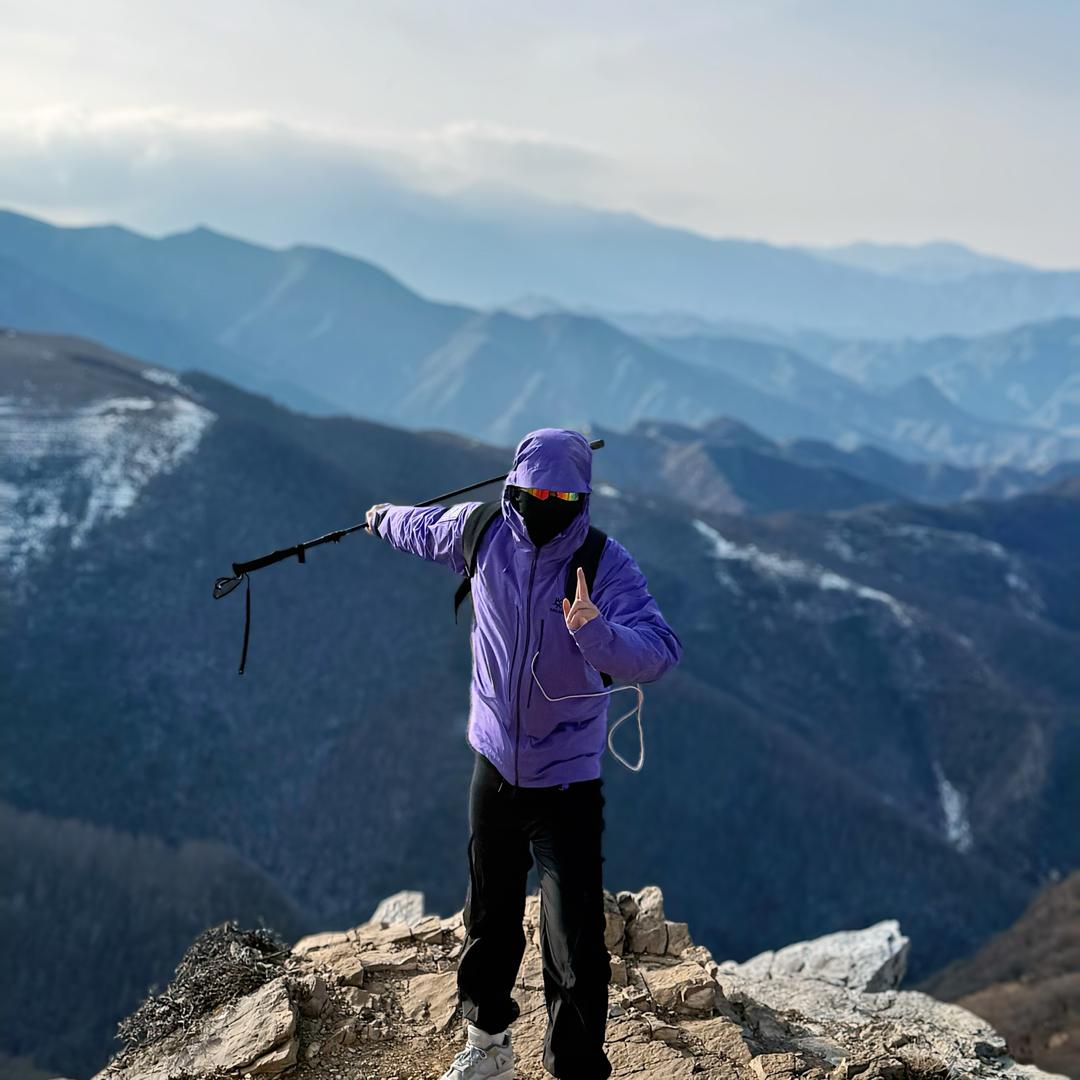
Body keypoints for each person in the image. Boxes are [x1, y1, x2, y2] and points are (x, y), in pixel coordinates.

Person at [365, 427, 682, 1080]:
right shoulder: (480, 532)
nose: (550, 501)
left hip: (566, 784)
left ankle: (574, 1070)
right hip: (494, 770)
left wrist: (595, 632)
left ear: (583, 497)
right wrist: (377, 517)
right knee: (489, 918)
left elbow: (659, 651)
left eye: (565, 493)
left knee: (575, 946)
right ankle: (487, 1048)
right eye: (538, 490)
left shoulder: (601, 561)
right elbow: (419, 528)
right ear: (514, 487)